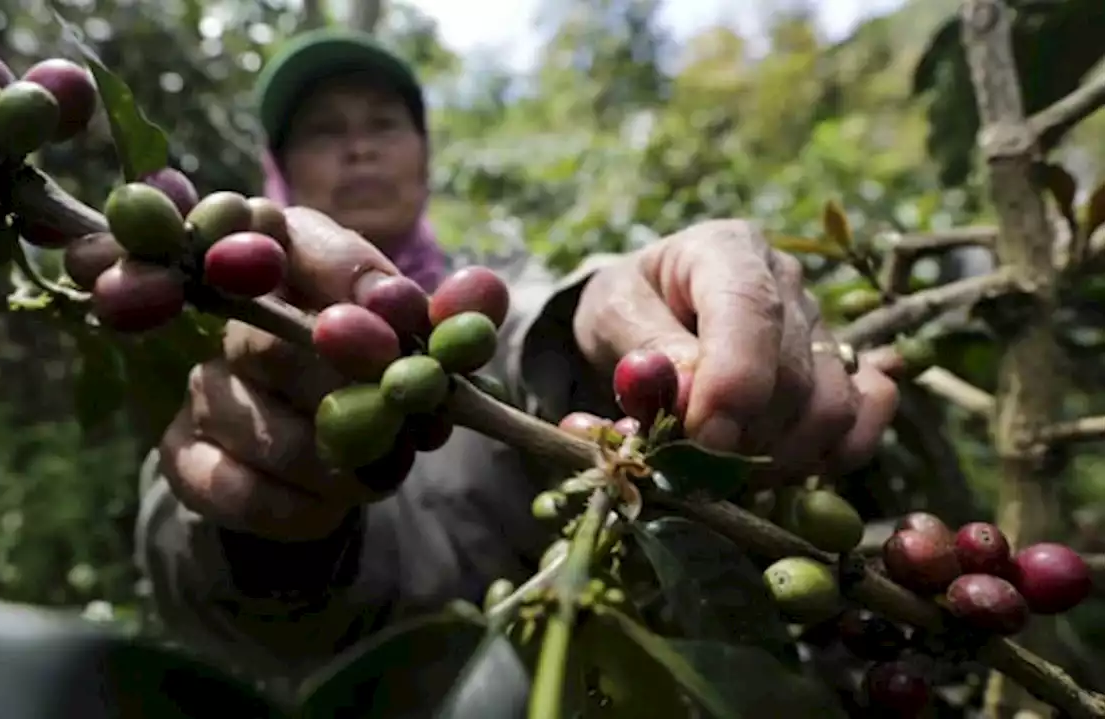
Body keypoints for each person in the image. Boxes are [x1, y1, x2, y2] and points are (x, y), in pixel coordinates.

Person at [129, 28, 901, 707]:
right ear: (284, 170)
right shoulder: (226, 330)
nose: (358, 146)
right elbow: (201, 589)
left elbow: (539, 323)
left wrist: (608, 314)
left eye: (383, 125)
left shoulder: (493, 299)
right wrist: (257, 526)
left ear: (424, 159)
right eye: (325, 131)